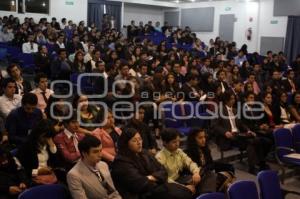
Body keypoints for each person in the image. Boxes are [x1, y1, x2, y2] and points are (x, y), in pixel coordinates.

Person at [111, 128, 193, 199]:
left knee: (186, 191)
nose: (139, 142)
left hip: (155, 189)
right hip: (139, 195)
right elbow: (139, 184)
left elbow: (163, 172)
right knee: (181, 194)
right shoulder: (121, 162)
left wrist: (150, 177)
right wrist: (155, 178)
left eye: (140, 139)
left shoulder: (144, 153)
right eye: (134, 140)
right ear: (126, 143)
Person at [67, 135, 122, 199]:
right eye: (95, 152)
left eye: (100, 150)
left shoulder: (103, 165)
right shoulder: (74, 175)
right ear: (84, 153)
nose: (100, 155)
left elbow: (113, 192)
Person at [185, 128, 235, 192]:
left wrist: (208, 167)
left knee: (230, 167)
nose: (204, 140)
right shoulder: (188, 153)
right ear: (193, 140)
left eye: (204, 137)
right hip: (199, 175)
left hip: (207, 169)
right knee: (221, 180)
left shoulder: (205, 149)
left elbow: (210, 163)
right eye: (200, 138)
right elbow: (192, 170)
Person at [156, 128, 201, 194]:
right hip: (169, 184)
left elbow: (190, 163)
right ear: (165, 143)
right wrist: (183, 187)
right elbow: (165, 179)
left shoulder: (179, 151)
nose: (177, 144)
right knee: (188, 192)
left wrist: (196, 173)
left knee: (206, 176)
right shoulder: (159, 157)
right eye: (174, 142)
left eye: (178, 141)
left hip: (180, 179)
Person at [16, 119, 59, 185]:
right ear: (38, 133)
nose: (46, 140)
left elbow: (56, 163)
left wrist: (52, 147)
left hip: (48, 176)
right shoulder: (27, 146)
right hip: (33, 178)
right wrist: (39, 171)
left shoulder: (48, 143)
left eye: (49, 137)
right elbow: (23, 170)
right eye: (44, 137)